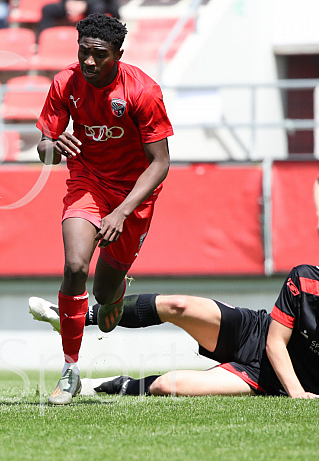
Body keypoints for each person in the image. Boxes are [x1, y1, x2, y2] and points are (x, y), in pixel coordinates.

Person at [36, 14, 172, 405]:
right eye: (83, 52)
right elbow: (43, 149)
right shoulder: (65, 83)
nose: (89, 62)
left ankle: (115, 293)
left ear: (118, 54)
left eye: (99, 55)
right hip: (87, 182)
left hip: (133, 195)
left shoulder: (143, 90)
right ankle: (70, 369)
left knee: (104, 295)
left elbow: (160, 162)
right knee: (76, 265)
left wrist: (122, 213)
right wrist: (52, 145)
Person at [29, 264, 319, 399]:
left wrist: (295, 389)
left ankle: (114, 384)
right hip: (255, 335)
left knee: (167, 386)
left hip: (265, 379)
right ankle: (73, 317)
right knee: (177, 305)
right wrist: (297, 394)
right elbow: (275, 343)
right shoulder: (305, 278)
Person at [37, 0, 120, 37]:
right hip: (74, 3)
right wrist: (68, 2)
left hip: (95, 5)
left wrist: (85, 4)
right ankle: (42, 42)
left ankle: (92, 41)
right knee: (47, 9)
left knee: (98, 10)